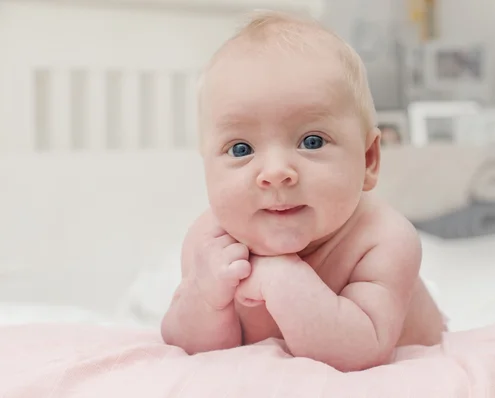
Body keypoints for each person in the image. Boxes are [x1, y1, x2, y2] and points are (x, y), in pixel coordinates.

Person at [161, 10, 446, 372]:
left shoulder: (383, 239)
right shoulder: (210, 242)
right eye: (241, 149)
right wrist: (205, 298)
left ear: (369, 160)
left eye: (311, 141)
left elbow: (364, 353)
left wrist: (284, 281)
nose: (277, 173)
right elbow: (190, 350)